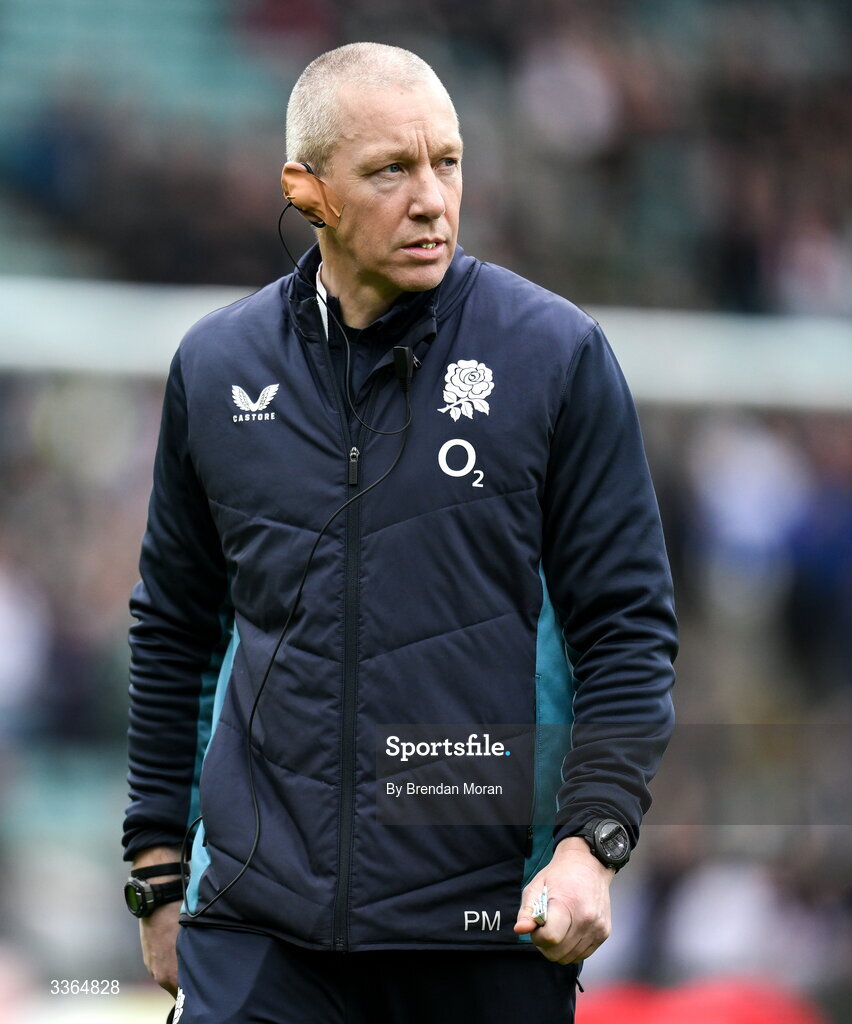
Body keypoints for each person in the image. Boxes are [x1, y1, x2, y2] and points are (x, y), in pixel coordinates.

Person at [123, 42, 677, 1024]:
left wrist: (591, 844)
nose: (431, 199)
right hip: (257, 927)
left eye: (447, 162)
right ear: (307, 190)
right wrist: (158, 869)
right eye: (390, 170)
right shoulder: (217, 367)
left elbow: (627, 627)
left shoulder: (554, 356)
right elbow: (174, 627)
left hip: (485, 925)